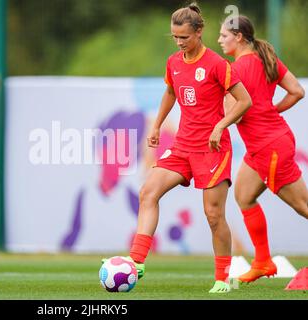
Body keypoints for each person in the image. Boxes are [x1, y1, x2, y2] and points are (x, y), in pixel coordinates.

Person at [108, 2, 252, 293]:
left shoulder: (217, 65)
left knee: (214, 216)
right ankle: (136, 262)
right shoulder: (174, 62)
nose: (179, 42)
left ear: (199, 32)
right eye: (175, 37)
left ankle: (223, 278)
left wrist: (221, 125)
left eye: (184, 37)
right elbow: (171, 92)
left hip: (212, 149)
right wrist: (157, 125)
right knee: (148, 191)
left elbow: (244, 101)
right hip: (183, 146)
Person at [218, 15, 307, 283]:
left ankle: (263, 261)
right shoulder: (266, 59)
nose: (220, 40)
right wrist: (272, 110)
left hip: (269, 147)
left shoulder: (237, 70)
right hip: (268, 143)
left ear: (239, 37)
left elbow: (234, 113)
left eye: (224, 35)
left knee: (303, 205)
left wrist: (218, 118)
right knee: (244, 195)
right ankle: (263, 262)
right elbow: (297, 91)